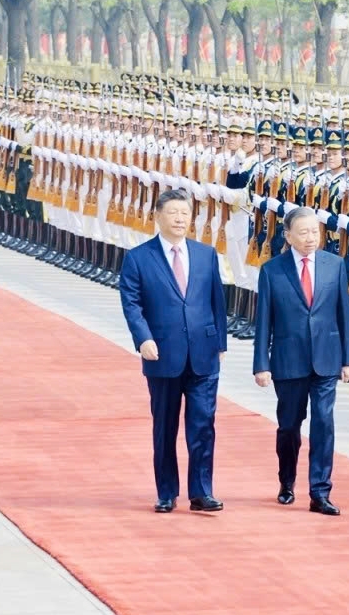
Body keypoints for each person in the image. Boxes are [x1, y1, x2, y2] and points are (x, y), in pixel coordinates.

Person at [119, 189, 228, 514]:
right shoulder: (138, 257)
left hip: (204, 355)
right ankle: (167, 492)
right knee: (165, 427)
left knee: (203, 425)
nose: (180, 219)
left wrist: (220, 342)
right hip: (162, 355)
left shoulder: (206, 254)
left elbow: (216, 302)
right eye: (173, 213)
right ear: (158, 216)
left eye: (185, 213)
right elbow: (132, 303)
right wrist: (143, 339)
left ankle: (201, 491)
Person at [253, 206, 349, 515]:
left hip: (326, 358)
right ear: (288, 236)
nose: (311, 238)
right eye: (303, 232)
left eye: (315, 231)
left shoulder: (334, 265)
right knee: (289, 426)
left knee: (324, 423)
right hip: (288, 360)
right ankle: (287, 481)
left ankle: (320, 492)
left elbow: (344, 313)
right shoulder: (273, 270)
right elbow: (263, 322)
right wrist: (262, 364)